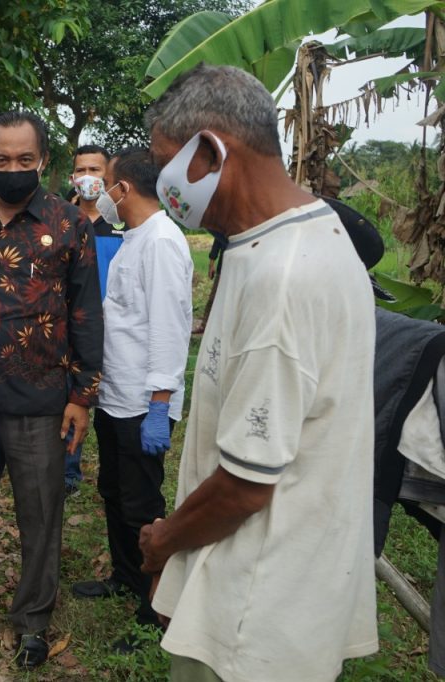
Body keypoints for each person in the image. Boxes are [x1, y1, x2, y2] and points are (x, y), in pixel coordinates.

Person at [137, 64, 377, 681]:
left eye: (168, 166)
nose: (164, 186)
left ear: (213, 150)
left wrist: (163, 541)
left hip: (254, 607)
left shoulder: (285, 279)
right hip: (276, 577)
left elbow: (246, 485)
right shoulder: (291, 234)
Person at [0, 111, 103, 668]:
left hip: (41, 400)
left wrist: (82, 395)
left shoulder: (68, 223)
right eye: (1, 161)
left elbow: (85, 312)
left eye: (24, 160)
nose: (13, 170)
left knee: (40, 514)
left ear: (43, 162)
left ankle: (32, 618)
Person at [70, 147, 193, 648]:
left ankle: (155, 605)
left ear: (124, 189)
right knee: (115, 494)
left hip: (144, 402)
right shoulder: (134, 237)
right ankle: (127, 576)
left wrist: (160, 402)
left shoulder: (163, 242)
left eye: (109, 183)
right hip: (116, 395)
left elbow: (169, 327)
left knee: (144, 505)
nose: (104, 193)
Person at [65, 143, 122, 496]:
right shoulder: (62, 220)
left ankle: (112, 473)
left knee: (112, 404)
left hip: (115, 328)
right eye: (81, 170)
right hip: (72, 325)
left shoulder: (122, 224)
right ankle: (69, 472)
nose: (88, 177)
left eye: (95, 170)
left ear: (108, 177)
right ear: (72, 177)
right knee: (73, 396)